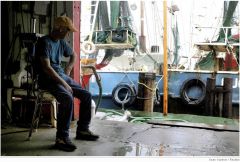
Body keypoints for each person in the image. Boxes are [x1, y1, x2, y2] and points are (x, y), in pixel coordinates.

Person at [35, 16, 99, 152]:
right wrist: (64, 83)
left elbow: (74, 55)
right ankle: (61, 138)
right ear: (60, 28)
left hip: (60, 75)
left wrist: (68, 69)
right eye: (67, 30)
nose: (68, 33)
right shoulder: (44, 42)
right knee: (67, 98)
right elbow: (47, 68)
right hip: (47, 79)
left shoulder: (61, 41)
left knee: (86, 95)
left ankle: (82, 130)